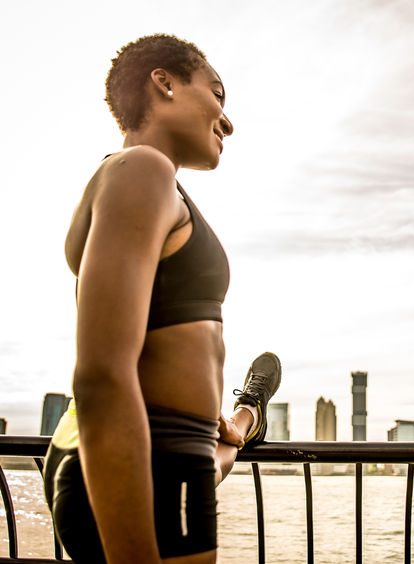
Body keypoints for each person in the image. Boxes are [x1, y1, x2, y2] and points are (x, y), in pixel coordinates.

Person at [42, 34, 282, 563]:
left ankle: (245, 415)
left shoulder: (147, 182)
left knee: (219, 448)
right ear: (164, 82)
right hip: (147, 449)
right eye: (217, 94)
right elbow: (102, 374)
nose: (228, 120)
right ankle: (245, 414)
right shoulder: (142, 170)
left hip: (176, 444)